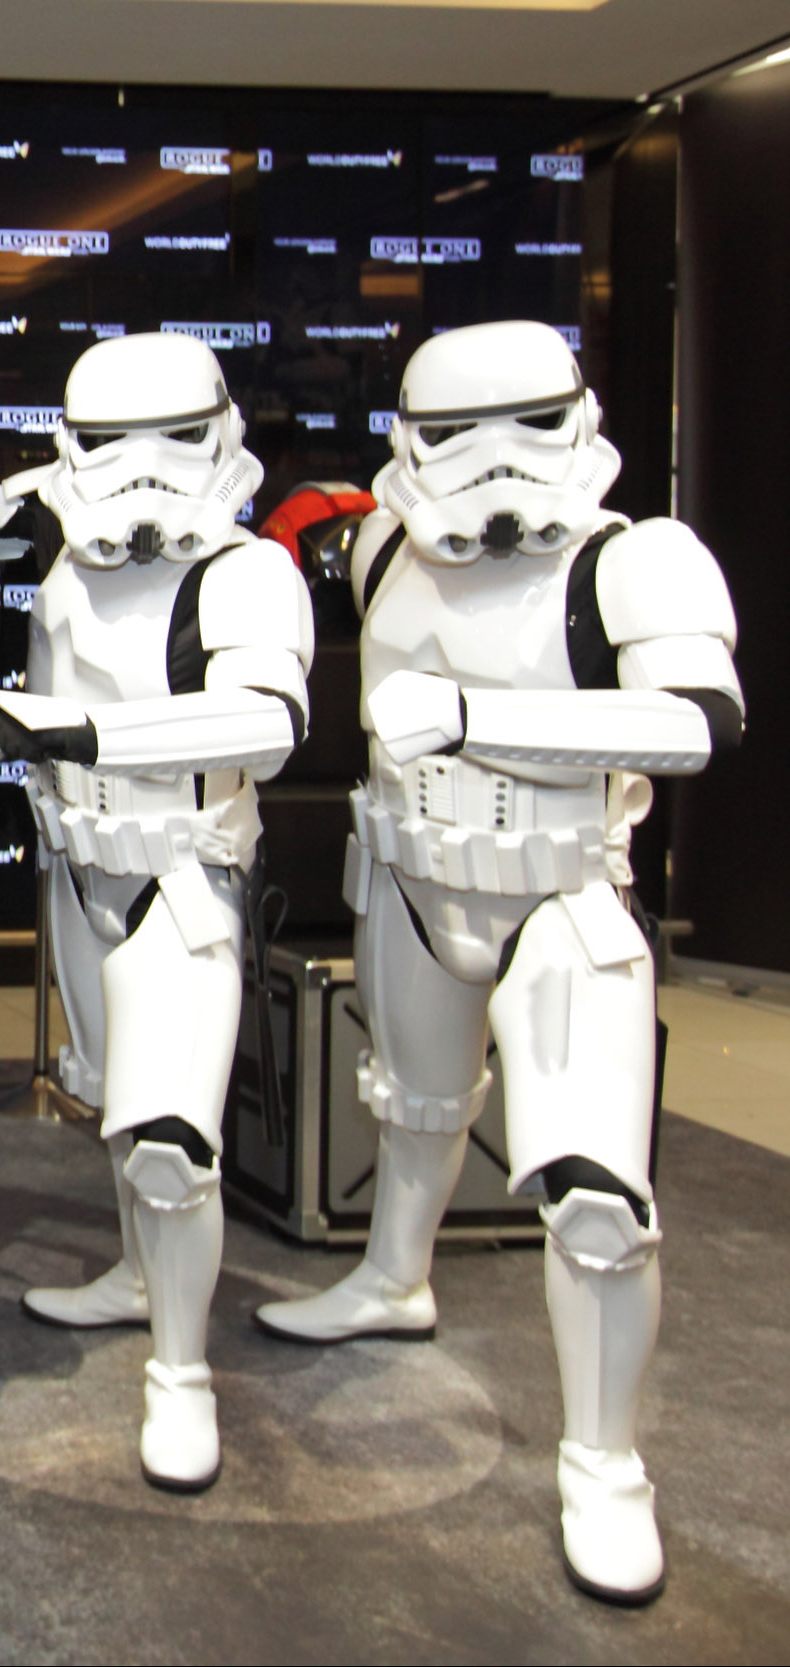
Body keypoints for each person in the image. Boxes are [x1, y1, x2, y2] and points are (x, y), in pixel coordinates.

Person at [252, 321, 742, 1605]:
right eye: (457, 432)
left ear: (578, 416)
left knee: (593, 1199)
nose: (491, 463)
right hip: (412, 879)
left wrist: (480, 717)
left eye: (527, 422)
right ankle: (388, 1278)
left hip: (563, 897)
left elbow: (695, 720)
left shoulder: (634, 559)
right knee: (408, 1110)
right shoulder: (377, 547)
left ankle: (604, 1460)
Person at [0, 332, 314, 1492]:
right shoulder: (62, 558)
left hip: (182, 875)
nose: (137, 475)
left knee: (174, 1140)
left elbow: (264, 721)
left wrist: (84, 734)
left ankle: (181, 1375)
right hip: (80, 872)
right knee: (116, 1114)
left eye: (169, 443)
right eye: (111, 448)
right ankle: (136, 1278)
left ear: (220, 435)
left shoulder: (243, 573)